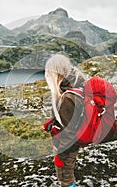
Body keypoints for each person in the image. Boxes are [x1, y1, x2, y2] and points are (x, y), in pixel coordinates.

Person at [43, 53, 86, 187]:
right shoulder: (77, 86)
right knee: (69, 168)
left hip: (67, 146)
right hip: (74, 142)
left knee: (65, 176)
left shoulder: (68, 98)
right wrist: (53, 122)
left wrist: (60, 156)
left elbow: (67, 131)